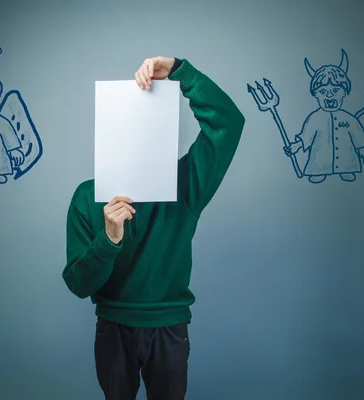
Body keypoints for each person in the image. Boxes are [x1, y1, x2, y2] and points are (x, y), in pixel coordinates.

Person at [62, 56, 246, 399]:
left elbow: (228, 124)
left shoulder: (185, 185)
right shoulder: (87, 197)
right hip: (114, 327)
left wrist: (181, 72)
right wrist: (109, 240)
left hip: (169, 326)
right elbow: (78, 284)